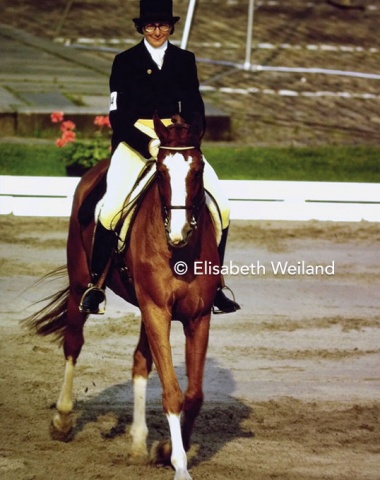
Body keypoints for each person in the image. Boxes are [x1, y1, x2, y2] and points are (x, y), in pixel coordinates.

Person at [79, 0, 240, 315]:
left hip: (178, 141)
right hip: (135, 139)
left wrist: (188, 137)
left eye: (163, 25)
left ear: (171, 27)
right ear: (141, 27)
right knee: (110, 209)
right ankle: (96, 286)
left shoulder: (184, 59)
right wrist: (149, 144)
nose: (157, 31)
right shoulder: (124, 61)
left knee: (222, 206)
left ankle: (215, 283)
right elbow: (117, 116)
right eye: (151, 25)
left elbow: (195, 106)